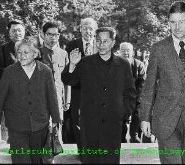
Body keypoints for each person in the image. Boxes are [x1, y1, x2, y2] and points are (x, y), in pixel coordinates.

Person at [139, 1, 185, 164]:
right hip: (165, 119)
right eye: (172, 22)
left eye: (181, 22)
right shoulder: (159, 49)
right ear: (168, 23)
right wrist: (145, 117)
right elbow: (149, 86)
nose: (177, 26)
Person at [61, 27, 137, 163]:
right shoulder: (85, 63)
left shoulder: (123, 65)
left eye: (105, 41)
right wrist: (72, 64)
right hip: (89, 123)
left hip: (113, 123)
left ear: (113, 42)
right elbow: (69, 80)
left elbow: (130, 93)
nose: (101, 45)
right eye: (98, 41)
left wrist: (122, 113)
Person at [0, 38, 61, 164]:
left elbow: (51, 97)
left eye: (26, 52)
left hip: (40, 125)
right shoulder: (9, 71)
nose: (22, 56)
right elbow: (0, 97)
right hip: (17, 126)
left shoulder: (45, 71)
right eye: (19, 52)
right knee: (21, 159)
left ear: (35, 53)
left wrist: (56, 120)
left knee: (37, 160)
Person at [64, 17, 98, 152]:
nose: (88, 31)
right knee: (77, 122)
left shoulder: (101, 44)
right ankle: (82, 150)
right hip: (78, 90)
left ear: (95, 30)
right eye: (85, 28)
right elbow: (68, 69)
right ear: (80, 29)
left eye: (91, 28)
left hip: (97, 92)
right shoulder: (72, 45)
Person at [40, 22, 71, 143]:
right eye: (49, 34)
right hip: (40, 98)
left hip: (58, 97)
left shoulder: (63, 54)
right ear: (43, 35)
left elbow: (67, 78)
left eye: (56, 35)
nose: (53, 38)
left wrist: (67, 100)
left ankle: (55, 153)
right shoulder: (36, 53)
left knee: (57, 126)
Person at [0, 20, 26, 142]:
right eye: (13, 31)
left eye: (19, 30)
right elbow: (1, 72)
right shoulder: (3, 49)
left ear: (24, 31)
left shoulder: (32, 47)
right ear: (9, 33)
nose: (17, 33)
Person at [119, 42, 148, 143]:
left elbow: (142, 84)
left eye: (128, 50)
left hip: (135, 96)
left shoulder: (139, 65)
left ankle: (134, 135)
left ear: (132, 52)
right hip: (119, 97)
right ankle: (121, 136)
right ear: (119, 52)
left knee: (139, 110)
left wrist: (137, 99)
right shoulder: (114, 64)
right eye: (123, 50)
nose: (126, 53)